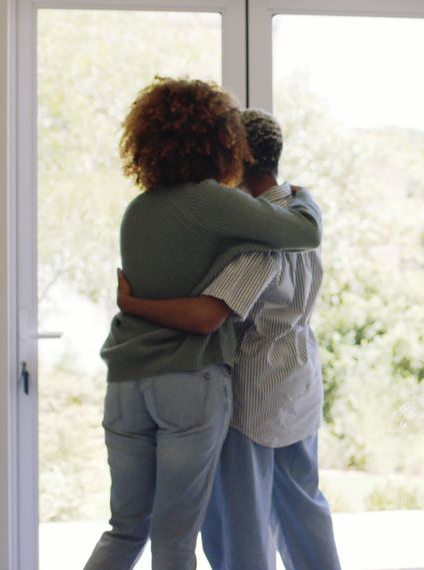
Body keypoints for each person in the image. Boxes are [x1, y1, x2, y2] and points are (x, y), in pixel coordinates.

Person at [86, 80, 322, 570]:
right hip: (188, 382)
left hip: (126, 383)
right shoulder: (214, 203)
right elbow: (302, 233)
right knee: (175, 539)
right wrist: (304, 196)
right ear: (221, 140)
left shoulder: (138, 210)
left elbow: (150, 286)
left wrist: (131, 306)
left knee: (125, 529)